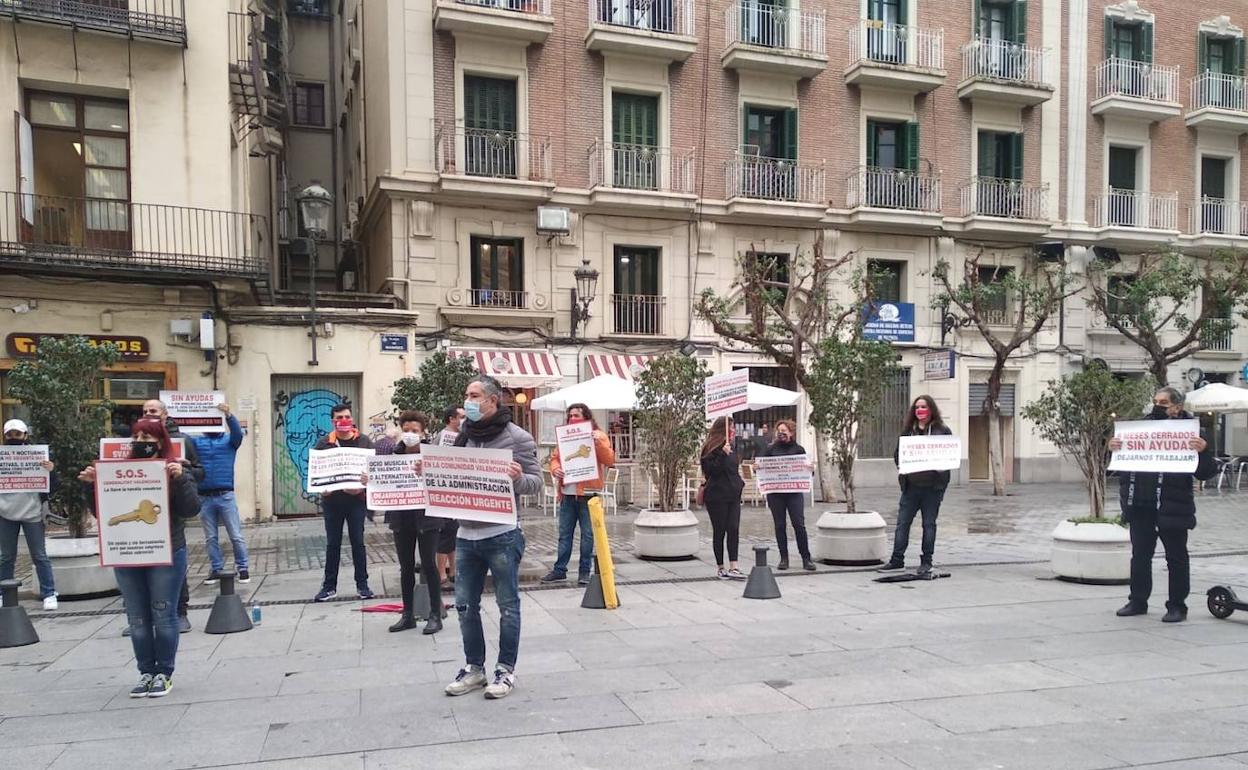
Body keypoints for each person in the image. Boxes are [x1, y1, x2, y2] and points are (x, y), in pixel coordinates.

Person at [79, 418, 200, 698]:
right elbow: (103, 513)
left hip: (166, 552)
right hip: (127, 551)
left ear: (161, 442)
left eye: (149, 437)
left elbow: (191, 509)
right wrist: (90, 486)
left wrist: (179, 479)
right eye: (138, 436)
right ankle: (145, 671)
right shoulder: (117, 470)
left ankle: (164, 674)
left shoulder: (176, 468)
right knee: (137, 617)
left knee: (163, 613)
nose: (142, 441)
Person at [444, 376, 540, 701]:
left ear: (492, 401)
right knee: (464, 606)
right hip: (465, 534)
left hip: (501, 535)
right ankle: (474, 667)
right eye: (466, 394)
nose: (467, 401)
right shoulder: (462, 437)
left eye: (473, 395)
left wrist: (517, 478)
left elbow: (536, 483)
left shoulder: (518, 438)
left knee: (507, 606)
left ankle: (505, 669)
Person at [1111, 386, 1216, 623]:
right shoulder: (1141, 428)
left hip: (1172, 505)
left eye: (1164, 403)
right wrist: (1115, 449)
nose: (1158, 406)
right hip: (1141, 503)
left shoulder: (1194, 432)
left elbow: (1206, 473)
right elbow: (1122, 465)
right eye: (1155, 401)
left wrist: (1204, 451)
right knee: (1139, 555)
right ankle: (1137, 600)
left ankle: (1177, 605)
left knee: (1176, 557)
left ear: (1177, 407)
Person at [367, 410, 443, 635]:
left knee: (429, 565)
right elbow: (383, 480)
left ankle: (435, 615)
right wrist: (370, 479)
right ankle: (407, 614)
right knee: (406, 567)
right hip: (401, 517)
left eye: (415, 431)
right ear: (401, 431)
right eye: (406, 430)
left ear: (423, 432)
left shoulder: (432, 455)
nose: (410, 434)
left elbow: (443, 480)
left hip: (428, 517)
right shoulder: (393, 455)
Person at [142, 399, 204, 633]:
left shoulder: (183, 441)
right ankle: (143, 615)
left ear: (165, 415)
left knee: (175, 565)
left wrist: (184, 470)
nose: (149, 414)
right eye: (145, 412)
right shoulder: (134, 442)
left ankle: (180, 612)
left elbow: (200, 472)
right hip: (142, 517)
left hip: (171, 514)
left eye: (154, 411)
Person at [541, 403, 616, 586]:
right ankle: (560, 570)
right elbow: (555, 458)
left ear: (587, 417)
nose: (572, 419)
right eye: (570, 416)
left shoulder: (599, 435)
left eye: (576, 415)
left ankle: (584, 571)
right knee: (564, 534)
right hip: (567, 494)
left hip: (588, 494)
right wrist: (556, 468)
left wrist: (597, 443)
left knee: (588, 535)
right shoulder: (566, 437)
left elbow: (609, 459)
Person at [879, 396, 953, 575]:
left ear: (931, 409)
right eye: (917, 407)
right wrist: (904, 467)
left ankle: (926, 561)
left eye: (924, 406)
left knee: (929, 525)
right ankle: (897, 560)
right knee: (902, 524)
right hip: (911, 487)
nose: (920, 410)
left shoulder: (942, 431)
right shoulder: (908, 432)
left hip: (932, 489)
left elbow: (949, 455)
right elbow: (898, 454)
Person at [313, 403, 375, 602]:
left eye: (347, 416)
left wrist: (364, 486)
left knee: (358, 542)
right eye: (339, 418)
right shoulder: (324, 443)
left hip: (356, 501)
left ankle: (363, 585)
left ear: (353, 418)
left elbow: (375, 472)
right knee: (333, 544)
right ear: (333, 421)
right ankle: (329, 587)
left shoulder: (364, 442)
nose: (344, 421)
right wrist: (322, 487)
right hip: (332, 502)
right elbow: (316, 473)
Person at [0, 419, 58, 610]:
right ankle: (3, 593)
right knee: (6, 556)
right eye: (10, 435)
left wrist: (50, 472)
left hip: (32, 513)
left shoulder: (38, 457)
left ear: (25, 436)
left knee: (39, 555)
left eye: (17, 434)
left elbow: (54, 488)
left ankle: (49, 593)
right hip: (4, 513)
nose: (13, 438)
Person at [189, 402, 249, 585]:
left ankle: (243, 568)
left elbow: (238, 433)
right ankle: (216, 569)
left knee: (236, 535)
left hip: (225, 495)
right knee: (210, 537)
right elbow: (179, 437)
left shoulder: (229, 441)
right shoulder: (196, 442)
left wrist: (229, 415)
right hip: (205, 496)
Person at [760, 419, 815, 572]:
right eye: (779, 431)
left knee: (799, 524)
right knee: (779, 525)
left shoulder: (799, 450)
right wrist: (756, 467)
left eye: (784, 431)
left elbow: (807, 472)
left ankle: (806, 558)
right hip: (776, 494)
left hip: (793, 494)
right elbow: (761, 468)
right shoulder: (770, 449)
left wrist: (811, 469)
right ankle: (784, 558)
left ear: (791, 432)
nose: (781, 433)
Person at [701, 416, 746, 581]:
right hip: (717, 496)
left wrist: (740, 483)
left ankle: (734, 565)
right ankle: (720, 567)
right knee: (720, 531)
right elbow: (711, 471)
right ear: (723, 430)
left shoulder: (733, 448)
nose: (733, 431)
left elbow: (732, 470)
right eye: (731, 428)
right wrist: (721, 454)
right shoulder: (710, 449)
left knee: (733, 528)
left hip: (733, 494)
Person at [435, 405, 466, 589]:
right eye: (460, 416)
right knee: (445, 535)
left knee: (454, 533)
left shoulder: (463, 436)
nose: (464, 419)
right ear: (451, 419)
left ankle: (453, 570)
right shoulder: (443, 437)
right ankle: (441, 572)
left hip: (458, 489)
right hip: (445, 490)